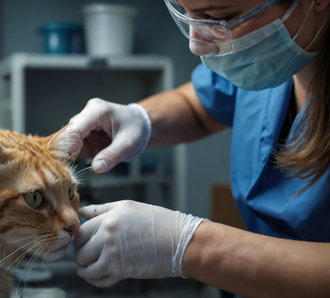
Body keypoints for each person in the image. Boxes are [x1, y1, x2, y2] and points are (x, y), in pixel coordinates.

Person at [63, 0, 330, 297]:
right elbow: (205, 101)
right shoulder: (270, 55)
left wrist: (192, 247)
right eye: (182, 12)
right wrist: (140, 118)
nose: (196, 44)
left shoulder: (272, 46)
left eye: (220, 18)